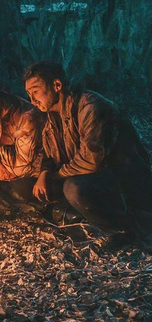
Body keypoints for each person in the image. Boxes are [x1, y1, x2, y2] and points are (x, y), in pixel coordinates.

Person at [23, 60, 152, 242]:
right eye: (29, 94)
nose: (32, 100)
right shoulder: (51, 119)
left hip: (122, 181)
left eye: (35, 91)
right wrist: (44, 173)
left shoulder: (90, 106)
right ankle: (82, 216)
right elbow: (49, 154)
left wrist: (55, 175)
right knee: (26, 185)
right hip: (90, 178)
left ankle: (124, 229)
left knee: (74, 189)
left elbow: (91, 160)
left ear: (57, 85)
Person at [0, 89, 44, 202]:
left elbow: (22, 168)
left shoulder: (26, 118)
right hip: (12, 169)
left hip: (43, 169)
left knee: (22, 187)